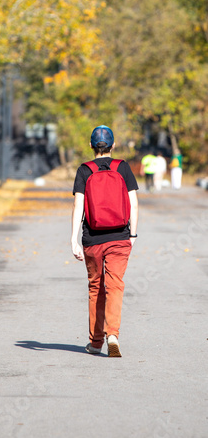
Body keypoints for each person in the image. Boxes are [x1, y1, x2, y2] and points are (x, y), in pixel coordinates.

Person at [71, 125, 139, 357]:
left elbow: (78, 206)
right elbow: (133, 203)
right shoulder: (123, 168)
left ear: (91, 146)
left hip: (92, 239)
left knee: (95, 288)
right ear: (113, 145)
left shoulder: (84, 170)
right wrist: (133, 234)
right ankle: (113, 335)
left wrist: (73, 239)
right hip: (120, 236)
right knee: (115, 286)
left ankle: (96, 342)